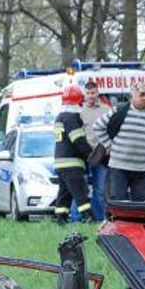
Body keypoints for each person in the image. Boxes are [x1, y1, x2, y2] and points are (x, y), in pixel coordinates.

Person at [92, 80, 145, 203]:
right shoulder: (119, 110)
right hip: (119, 167)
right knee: (117, 203)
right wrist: (109, 146)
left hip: (143, 169)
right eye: (141, 95)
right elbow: (98, 126)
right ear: (133, 95)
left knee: (142, 206)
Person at [51, 84, 94, 224]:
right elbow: (78, 139)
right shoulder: (70, 118)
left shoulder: (60, 117)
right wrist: (91, 154)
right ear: (78, 102)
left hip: (60, 162)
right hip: (72, 163)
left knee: (64, 193)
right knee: (80, 191)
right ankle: (89, 217)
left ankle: (60, 218)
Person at [80, 79, 112, 221]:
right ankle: (84, 218)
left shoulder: (106, 110)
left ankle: (100, 220)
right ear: (84, 94)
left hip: (102, 156)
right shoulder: (81, 112)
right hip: (86, 155)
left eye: (93, 93)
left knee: (100, 190)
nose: (91, 96)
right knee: (83, 189)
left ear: (97, 93)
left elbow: (112, 130)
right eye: (88, 93)